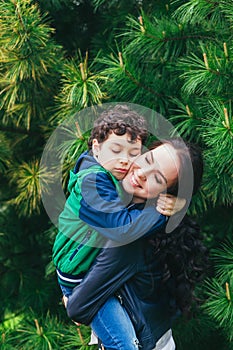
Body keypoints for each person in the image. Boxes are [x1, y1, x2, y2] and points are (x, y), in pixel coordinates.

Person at [65, 139, 207, 350]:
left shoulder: (130, 239)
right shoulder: (133, 213)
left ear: (166, 194)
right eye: (147, 159)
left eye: (157, 178)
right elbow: (91, 162)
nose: (142, 173)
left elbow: (77, 307)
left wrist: (69, 295)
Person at [53, 105, 183, 297]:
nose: (124, 160)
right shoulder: (92, 185)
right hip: (77, 273)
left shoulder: (115, 177)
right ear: (96, 148)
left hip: (93, 270)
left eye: (133, 154)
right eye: (116, 150)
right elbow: (122, 228)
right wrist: (160, 212)